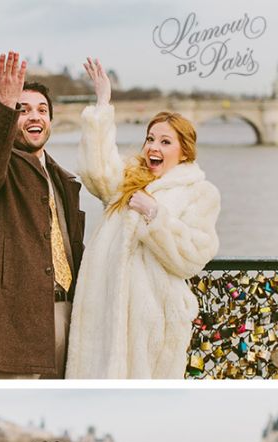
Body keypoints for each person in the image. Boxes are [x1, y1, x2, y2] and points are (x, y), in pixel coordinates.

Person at [66, 58, 220, 378]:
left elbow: (193, 257)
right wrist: (102, 105)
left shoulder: (201, 193)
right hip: (106, 319)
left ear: (184, 151)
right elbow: (96, 171)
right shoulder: (128, 179)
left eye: (165, 141)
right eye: (151, 139)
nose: (154, 146)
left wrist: (155, 216)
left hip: (152, 328)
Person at [0, 52, 86, 378]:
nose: (34, 116)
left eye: (42, 110)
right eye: (23, 109)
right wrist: (5, 106)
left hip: (67, 317)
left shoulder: (63, 179)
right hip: (17, 326)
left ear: (51, 121)